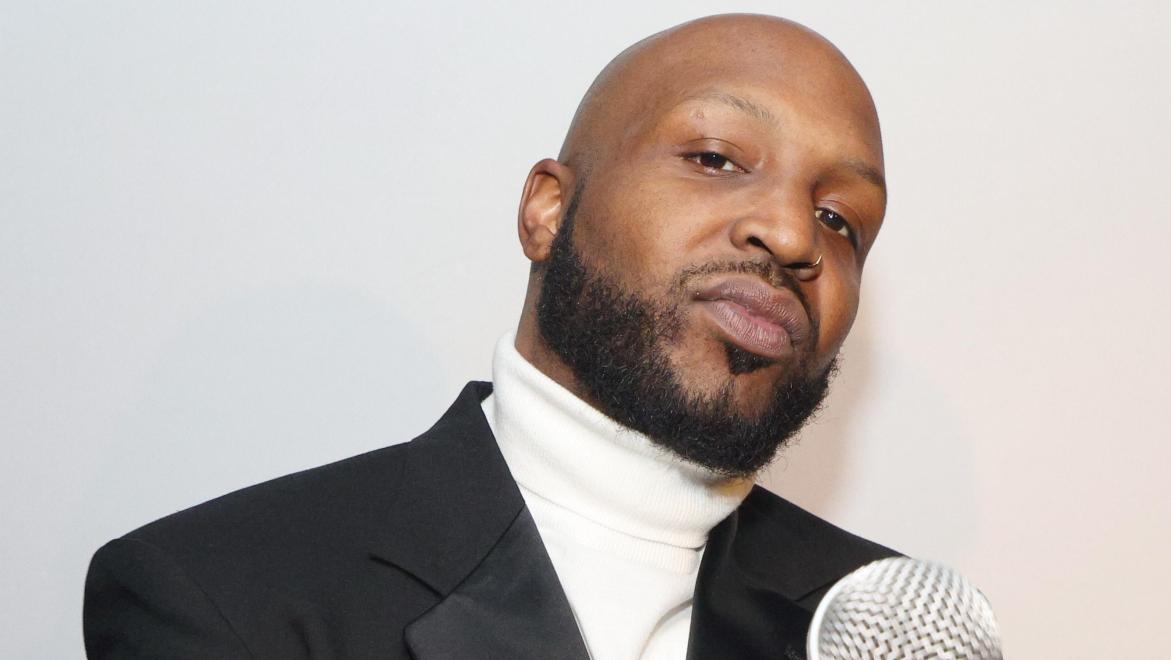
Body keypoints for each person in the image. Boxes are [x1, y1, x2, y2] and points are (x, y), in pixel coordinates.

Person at [84, 13, 895, 660]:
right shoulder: (223, 597)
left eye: (839, 219)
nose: (792, 235)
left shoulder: (879, 625)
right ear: (547, 210)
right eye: (715, 159)